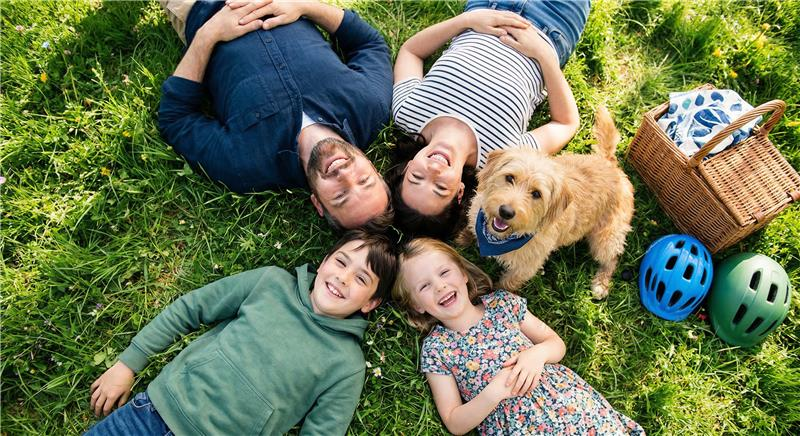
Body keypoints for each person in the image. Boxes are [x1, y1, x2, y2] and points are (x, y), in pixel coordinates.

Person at [86, 230, 398, 435]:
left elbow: (323, 432)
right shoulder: (270, 283)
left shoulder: (347, 364)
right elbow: (192, 308)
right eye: (341, 262)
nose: (343, 278)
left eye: (361, 279)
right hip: (150, 415)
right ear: (325, 260)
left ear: (370, 303)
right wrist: (128, 364)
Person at [157, 0, 394, 230]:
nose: (345, 175)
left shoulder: (247, 166)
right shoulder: (371, 106)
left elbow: (175, 119)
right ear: (373, 168)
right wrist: (304, 6)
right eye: (364, 181)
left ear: (318, 204)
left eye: (340, 196)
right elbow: (370, 44)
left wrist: (208, 34)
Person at [392, 238, 644, 435]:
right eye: (424, 286)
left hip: (569, 405)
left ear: (463, 273)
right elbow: (454, 422)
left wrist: (536, 354)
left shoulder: (503, 304)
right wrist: (494, 392)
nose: (440, 286)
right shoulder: (437, 349)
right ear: (416, 305)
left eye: (444, 272)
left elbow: (556, 344)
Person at [388, 0, 588, 239]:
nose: (433, 170)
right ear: (459, 192)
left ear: (408, 166)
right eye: (440, 187)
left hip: (487, 6)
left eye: (417, 177)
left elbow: (411, 52)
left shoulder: (408, 113)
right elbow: (566, 123)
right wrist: (544, 56)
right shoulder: (503, 156)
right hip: (553, 23)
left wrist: (466, 21)